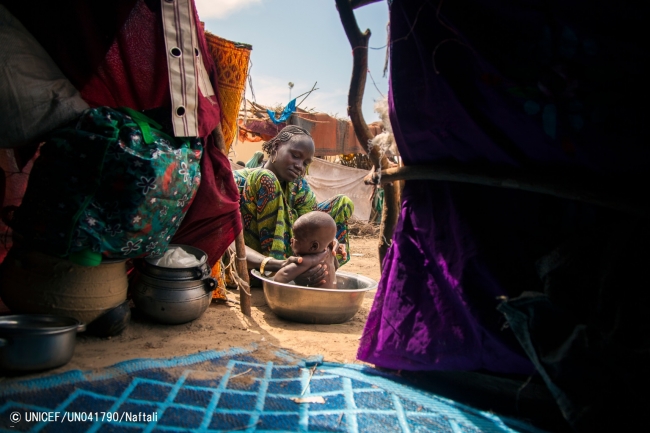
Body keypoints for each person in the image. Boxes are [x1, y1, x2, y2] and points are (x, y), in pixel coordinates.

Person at [232, 125, 354, 287]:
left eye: (305, 163)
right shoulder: (238, 181)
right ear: (275, 148)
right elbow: (226, 242)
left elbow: (310, 225)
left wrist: (329, 241)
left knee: (341, 203)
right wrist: (279, 265)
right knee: (265, 178)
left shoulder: (299, 188)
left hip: (294, 262)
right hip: (252, 266)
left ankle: (315, 273)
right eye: (296, 156)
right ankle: (279, 275)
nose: (300, 166)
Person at [273, 211, 338, 288]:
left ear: (313, 246)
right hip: (333, 295)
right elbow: (336, 266)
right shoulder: (329, 251)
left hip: (314, 299)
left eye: (296, 238)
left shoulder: (308, 261)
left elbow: (279, 277)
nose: (291, 240)